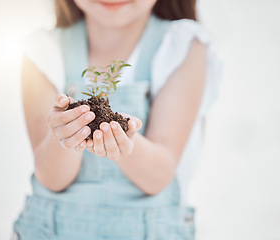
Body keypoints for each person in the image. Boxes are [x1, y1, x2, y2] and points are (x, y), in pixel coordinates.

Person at [13, 0, 221, 239]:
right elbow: (52, 179)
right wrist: (65, 135)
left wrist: (127, 145)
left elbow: (159, 176)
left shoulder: (181, 47)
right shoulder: (43, 51)